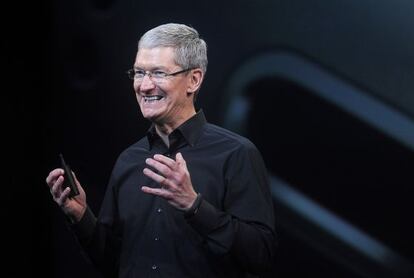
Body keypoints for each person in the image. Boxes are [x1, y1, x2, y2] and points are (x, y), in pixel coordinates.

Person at [46, 23, 277, 278]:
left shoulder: (235, 154)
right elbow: (112, 263)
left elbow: (260, 257)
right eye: (138, 73)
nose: (144, 86)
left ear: (193, 80)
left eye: (158, 73)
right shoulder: (129, 160)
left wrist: (194, 206)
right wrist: (81, 217)